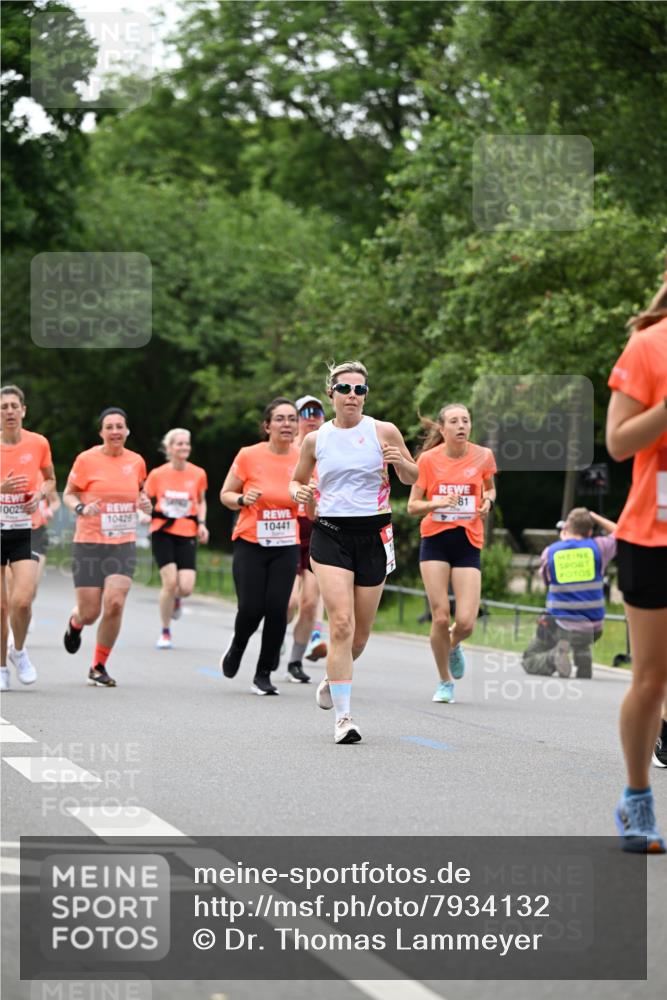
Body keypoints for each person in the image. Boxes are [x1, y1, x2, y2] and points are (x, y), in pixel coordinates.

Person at [290, 361, 418, 743]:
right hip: (330, 533)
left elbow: (413, 477)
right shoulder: (317, 439)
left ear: (366, 395)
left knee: (358, 637)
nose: (352, 396)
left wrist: (402, 465)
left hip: (374, 534)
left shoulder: (383, 431)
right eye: (344, 389)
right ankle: (344, 719)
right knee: (341, 624)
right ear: (332, 393)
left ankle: (333, 676)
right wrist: (299, 492)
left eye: (359, 390)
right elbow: (297, 480)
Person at [606, 272, 667, 853]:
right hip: (654, 535)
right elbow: (619, 442)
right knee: (652, 679)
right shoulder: (650, 345)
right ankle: (637, 797)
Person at [407, 403, 496, 704]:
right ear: (442, 429)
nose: (461, 426)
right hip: (435, 540)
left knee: (467, 621)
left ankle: (454, 645)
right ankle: (445, 680)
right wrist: (438, 503)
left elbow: (490, 488)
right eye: (454, 421)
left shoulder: (483, 456)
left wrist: (488, 503)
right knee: (441, 616)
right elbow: (412, 506)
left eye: (466, 420)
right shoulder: (428, 460)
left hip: (468, 540)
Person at [62, 407, 151, 687]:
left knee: (114, 603)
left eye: (119, 426)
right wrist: (81, 507)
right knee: (90, 613)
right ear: (101, 432)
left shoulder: (136, 461)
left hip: (122, 543)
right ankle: (75, 622)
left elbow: (140, 493)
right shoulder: (86, 459)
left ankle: (98, 665)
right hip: (89, 542)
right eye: (109, 427)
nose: (115, 431)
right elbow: (68, 493)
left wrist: (145, 503)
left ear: (126, 431)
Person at [219, 398, 301, 696]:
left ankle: (263, 673)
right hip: (250, 541)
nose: (287, 424)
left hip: (285, 543)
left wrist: (312, 496)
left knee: (278, 609)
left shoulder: (304, 457)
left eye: (292, 419)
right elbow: (226, 493)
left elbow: (313, 504)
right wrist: (242, 500)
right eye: (280, 419)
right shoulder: (248, 455)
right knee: (252, 608)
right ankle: (238, 644)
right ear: (267, 426)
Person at [0, 385, 56, 690]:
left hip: (26, 529)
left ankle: (18, 651)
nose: (9, 411)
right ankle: (1, 669)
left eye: (13, 406)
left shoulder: (38, 443)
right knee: (0, 606)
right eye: (3, 406)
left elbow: (50, 479)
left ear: (23, 410)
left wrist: (40, 494)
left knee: (21, 602)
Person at [522, 508, 617, 680]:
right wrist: (595, 517)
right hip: (594, 629)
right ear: (589, 531)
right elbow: (623, 533)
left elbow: (545, 579)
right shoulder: (599, 547)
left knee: (529, 659)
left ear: (566, 528)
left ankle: (553, 657)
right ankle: (583, 655)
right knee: (580, 632)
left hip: (562, 627)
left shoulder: (551, 552)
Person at [145, 428, 209, 649]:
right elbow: (143, 499)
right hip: (162, 532)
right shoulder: (157, 474)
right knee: (169, 583)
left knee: (186, 587)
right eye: (179, 444)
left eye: (187, 444)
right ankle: (165, 631)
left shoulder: (198, 474)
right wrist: (144, 514)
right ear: (169, 448)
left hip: (187, 532)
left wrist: (202, 524)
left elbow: (201, 501)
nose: (184, 447)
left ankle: (177, 600)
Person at [283, 394, 327, 683]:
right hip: (286, 528)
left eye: (317, 412)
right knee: (286, 604)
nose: (311, 417)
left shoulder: (330, 450)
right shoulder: (284, 451)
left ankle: (295, 661)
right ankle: (275, 641)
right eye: (305, 413)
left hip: (317, 528)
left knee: (309, 602)